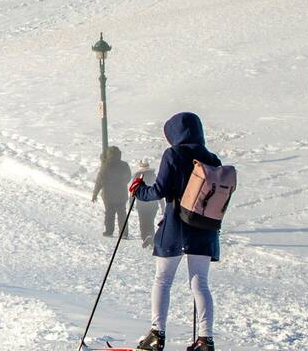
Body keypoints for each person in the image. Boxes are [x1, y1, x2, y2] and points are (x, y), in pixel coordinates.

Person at [130, 113, 222, 351]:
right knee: (200, 283)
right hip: (205, 230)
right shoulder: (212, 159)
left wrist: (138, 190)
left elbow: (159, 190)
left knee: (162, 280)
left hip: (177, 227)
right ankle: (205, 340)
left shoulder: (173, 154)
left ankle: (156, 335)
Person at [91, 146, 132, 238]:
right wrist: (122, 182)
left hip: (108, 195)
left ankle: (109, 232)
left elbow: (99, 181)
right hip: (121, 194)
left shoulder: (105, 166)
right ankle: (124, 233)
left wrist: (95, 194)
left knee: (109, 214)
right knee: (122, 214)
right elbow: (128, 176)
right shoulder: (124, 165)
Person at [134, 159, 160, 248]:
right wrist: (162, 204)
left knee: (143, 222)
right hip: (153, 203)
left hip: (141, 203)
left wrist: (131, 201)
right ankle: (151, 238)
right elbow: (159, 190)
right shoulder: (153, 176)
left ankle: (145, 237)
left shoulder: (137, 176)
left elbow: (133, 189)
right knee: (150, 222)